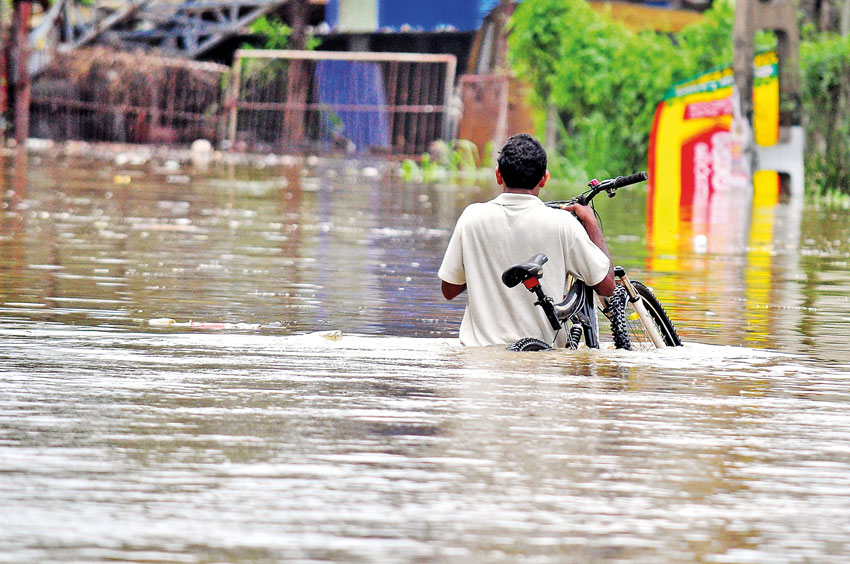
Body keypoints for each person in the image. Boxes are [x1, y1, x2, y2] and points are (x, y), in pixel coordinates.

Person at [438, 133, 616, 347]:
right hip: (542, 365)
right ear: (544, 178)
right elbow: (607, 286)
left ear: (498, 175)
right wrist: (592, 225)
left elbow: (449, 290)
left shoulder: (471, 218)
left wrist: (485, 266)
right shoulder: (562, 223)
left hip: (476, 367)